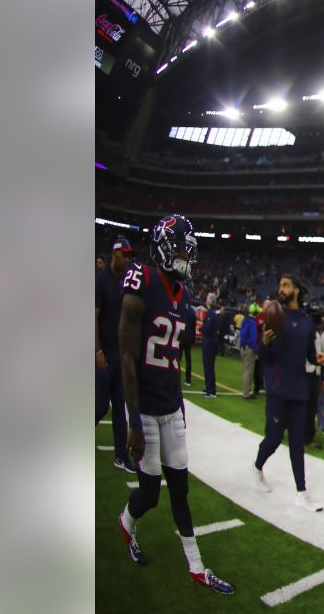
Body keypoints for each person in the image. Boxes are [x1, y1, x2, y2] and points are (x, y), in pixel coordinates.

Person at [115, 214, 234, 594]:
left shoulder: (183, 298)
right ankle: (126, 521)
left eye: (189, 250)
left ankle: (197, 567)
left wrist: (180, 405)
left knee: (180, 488)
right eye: (183, 248)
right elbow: (128, 356)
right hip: (145, 409)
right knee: (150, 493)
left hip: (171, 406)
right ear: (165, 247)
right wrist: (133, 419)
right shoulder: (141, 278)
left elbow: (173, 360)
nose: (188, 256)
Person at [252, 274, 324, 512]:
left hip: (299, 390)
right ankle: (257, 467)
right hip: (276, 389)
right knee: (273, 439)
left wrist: (318, 359)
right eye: (280, 285)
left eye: (285, 285)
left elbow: (309, 356)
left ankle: (301, 493)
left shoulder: (306, 321)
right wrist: (264, 341)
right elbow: (263, 356)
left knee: (297, 444)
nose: (280, 289)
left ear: (296, 290)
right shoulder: (276, 315)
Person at [96, 235, 136, 473]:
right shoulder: (100, 281)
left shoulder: (123, 282)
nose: (128, 259)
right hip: (103, 355)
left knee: (120, 408)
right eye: (125, 255)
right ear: (115, 254)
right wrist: (96, 349)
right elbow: (93, 316)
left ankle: (121, 455)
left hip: (118, 355)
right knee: (101, 406)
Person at [303, 308, 324, 448]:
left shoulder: (314, 334)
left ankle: (306, 435)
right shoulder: (309, 333)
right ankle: (305, 436)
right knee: (306, 407)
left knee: (310, 407)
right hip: (306, 373)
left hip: (313, 373)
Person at [199, 294, 220, 398]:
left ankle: (211, 390)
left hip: (209, 343)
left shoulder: (210, 314)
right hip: (210, 342)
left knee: (209, 367)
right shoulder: (212, 314)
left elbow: (207, 329)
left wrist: (200, 329)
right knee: (208, 366)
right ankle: (209, 387)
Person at [239, 307, 260, 399]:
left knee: (245, 370)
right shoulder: (253, 323)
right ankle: (246, 392)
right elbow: (253, 339)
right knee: (248, 372)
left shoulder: (245, 320)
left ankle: (245, 391)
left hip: (243, 347)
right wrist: (256, 351)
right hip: (249, 348)